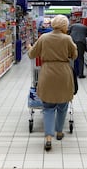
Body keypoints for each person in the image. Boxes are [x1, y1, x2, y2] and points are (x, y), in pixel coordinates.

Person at [27, 15, 77, 151]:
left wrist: (29, 48)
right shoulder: (67, 39)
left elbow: (32, 54)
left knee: (48, 108)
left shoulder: (44, 38)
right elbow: (74, 55)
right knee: (62, 106)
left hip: (47, 73)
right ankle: (59, 132)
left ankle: (48, 137)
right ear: (64, 26)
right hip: (63, 73)